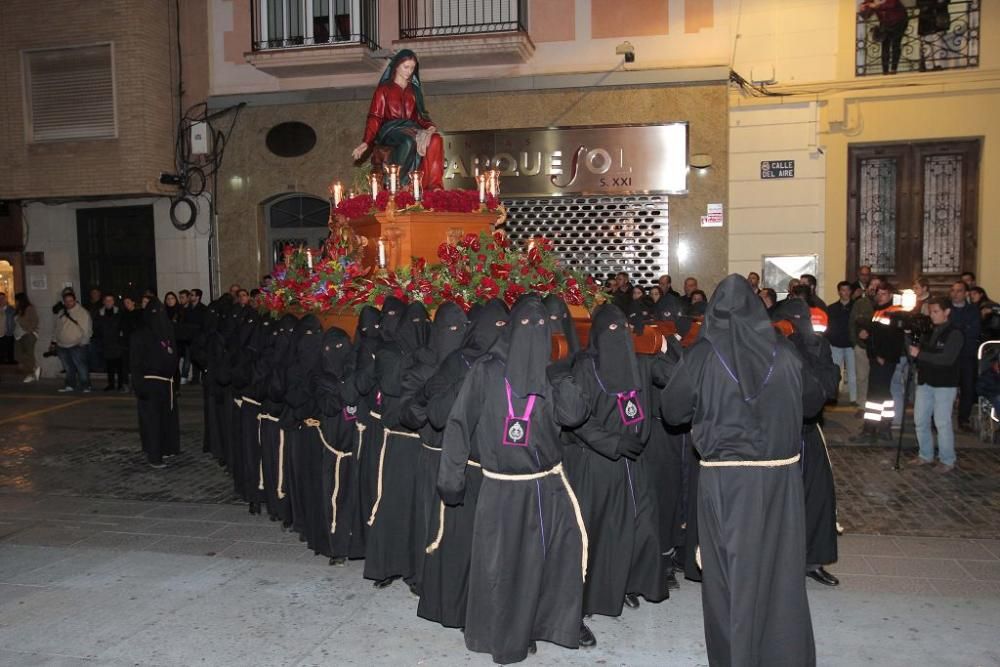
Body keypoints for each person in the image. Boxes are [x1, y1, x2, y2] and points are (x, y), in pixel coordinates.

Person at [659, 274, 822, 667]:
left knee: (728, 574)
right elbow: (813, 402)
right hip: (781, 480)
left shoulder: (702, 355)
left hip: (726, 483)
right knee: (780, 570)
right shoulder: (784, 353)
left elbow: (673, 411)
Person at [439, 294, 589, 664]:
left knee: (554, 559)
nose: (532, 333)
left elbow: (573, 416)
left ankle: (548, 625)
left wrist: (561, 372)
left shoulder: (549, 369)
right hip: (501, 486)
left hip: (546, 484)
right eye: (526, 324)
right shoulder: (487, 370)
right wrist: (451, 479)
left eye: (540, 327)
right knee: (502, 567)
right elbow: (458, 423)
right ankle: (509, 633)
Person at [563, 304, 668, 624]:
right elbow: (577, 419)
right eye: (611, 330)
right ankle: (593, 597)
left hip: (635, 462)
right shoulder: (585, 368)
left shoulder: (638, 361)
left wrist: (664, 345)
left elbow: (674, 378)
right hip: (600, 464)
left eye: (623, 330)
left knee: (640, 527)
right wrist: (612, 443)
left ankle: (630, 584)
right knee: (602, 532)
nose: (618, 336)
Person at [772, 299, 842, 587]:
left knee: (816, 499)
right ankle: (776, 561)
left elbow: (827, 387)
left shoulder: (817, 345)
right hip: (777, 432)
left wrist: (808, 350)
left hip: (808, 431)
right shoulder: (772, 344)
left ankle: (812, 560)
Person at [352, 49, 444, 190]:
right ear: (396, 66)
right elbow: (375, 117)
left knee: (436, 139)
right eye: (406, 67)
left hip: (412, 128)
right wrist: (366, 142)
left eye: (412, 68)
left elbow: (421, 116)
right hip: (390, 130)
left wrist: (430, 127)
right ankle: (396, 181)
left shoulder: (414, 90)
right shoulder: (383, 90)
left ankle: (433, 185)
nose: (409, 71)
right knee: (407, 141)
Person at [910, 297, 963, 472]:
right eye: (930, 311)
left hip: (944, 383)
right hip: (926, 381)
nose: (932, 315)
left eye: (936, 312)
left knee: (942, 422)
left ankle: (947, 459)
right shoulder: (929, 331)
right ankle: (925, 454)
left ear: (946, 312)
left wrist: (921, 355)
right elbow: (918, 352)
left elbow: (947, 359)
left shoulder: (954, 333)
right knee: (920, 420)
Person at [129, 295, 180, 468]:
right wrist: (138, 385)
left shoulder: (167, 331)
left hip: (166, 383)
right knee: (152, 421)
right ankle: (154, 454)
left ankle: (166, 448)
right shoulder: (140, 335)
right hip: (149, 383)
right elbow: (135, 362)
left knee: (165, 419)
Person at [854, 283, 903, 442]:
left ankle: (882, 427)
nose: (880, 296)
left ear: (890, 295)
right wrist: (867, 337)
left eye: (884, 293)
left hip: (884, 359)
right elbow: (876, 335)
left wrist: (883, 355)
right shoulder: (878, 311)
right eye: (878, 293)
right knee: (875, 394)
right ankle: (872, 427)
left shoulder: (894, 312)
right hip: (875, 357)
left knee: (881, 394)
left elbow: (894, 339)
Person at [948, 281, 980, 432]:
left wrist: (957, 329)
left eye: (959, 291)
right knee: (947, 387)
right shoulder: (946, 308)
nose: (955, 293)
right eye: (953, 290)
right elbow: (946, 328)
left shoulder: (973, 310)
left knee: (968, 387)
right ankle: (942, 418)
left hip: (967, 354)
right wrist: (960, 328)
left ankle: (964, 419)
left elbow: (973, 330)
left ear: (966, 293)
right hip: (949, 354)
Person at [849, 276, 880, 414]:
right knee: (862, 377)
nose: (873, 289)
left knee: (877, 378)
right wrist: (855, 342)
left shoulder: (884, 305)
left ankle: (876, 404)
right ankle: (862, 405)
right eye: (871, 286)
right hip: (861, 346)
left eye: (876, 286)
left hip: (879, 348)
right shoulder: (860, 303)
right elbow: (851, 323)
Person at [53, 289, 93, 393]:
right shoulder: (61, 312)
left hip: (77, 344)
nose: (68, 303)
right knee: (68, 367)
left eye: (70, 301)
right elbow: (57, 327)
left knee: (81, 366)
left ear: (75, 301)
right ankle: (70, 384)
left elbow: (87, 329)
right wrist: (54, 341)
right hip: (62, 345)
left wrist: (84, 342)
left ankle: (86, 385)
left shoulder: (82, 313)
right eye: (66, 301)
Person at [826, 281, 858, 405]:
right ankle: (833, 396)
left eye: (847, 290)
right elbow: (828, 326)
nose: (845, 293)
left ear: (851, 292)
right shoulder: (832, 308)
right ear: (839, 291)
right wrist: (830, 338)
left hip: (851, 345)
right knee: (835, 372)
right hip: (835, 344)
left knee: (853, 373)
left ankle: (854, 398)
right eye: (843, 290)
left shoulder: (856, 307)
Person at [859, 0, 908, 75]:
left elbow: (891, 4)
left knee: (896, 45)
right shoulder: (871, 1)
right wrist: (863, 8)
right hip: (885, 24)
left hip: (899, 22)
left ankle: (893, 69)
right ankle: (885, 71)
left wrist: (877, 5)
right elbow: (866, 15)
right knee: (885, 46)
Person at [94, 294, 124, 391]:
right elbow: (96, 327)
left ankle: (120, 384)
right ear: (103, 302)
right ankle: (111, 384)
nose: (108, 302)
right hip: (106, 343)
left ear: (114, 301)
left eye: (110, 300)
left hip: (117, 343)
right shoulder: (99, 313)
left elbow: (122, 326)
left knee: (120, 366)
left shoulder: (119, 312)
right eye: (106, 300)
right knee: (109, 366)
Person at [14, 292, 40, 383]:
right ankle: (34, 367)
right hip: (18, 335)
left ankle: (30, 374)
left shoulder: (29, 308)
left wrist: (29, 330)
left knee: (28, 354)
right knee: (18, 355)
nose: (16, 302)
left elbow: (35, 321)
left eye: (17, 300)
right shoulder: (18, 309)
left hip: (28, 334)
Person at [119, 295, 141, 393]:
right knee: (125, 365)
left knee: (135, 365)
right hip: (126, 343)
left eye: (128, 302)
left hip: (136, 343)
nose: (126, 305)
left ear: (133, 302)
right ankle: (125, 385)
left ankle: (136, 385)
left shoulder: (138, 313)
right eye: (124, 303)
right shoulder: (123, 314)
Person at [0, 292, 15, 364]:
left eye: (2, 298)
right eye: (0, 299)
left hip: (8, 333)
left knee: (9, 351)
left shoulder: (11, 310)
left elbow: (15, 321)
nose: (1, 300)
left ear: (5, 299)